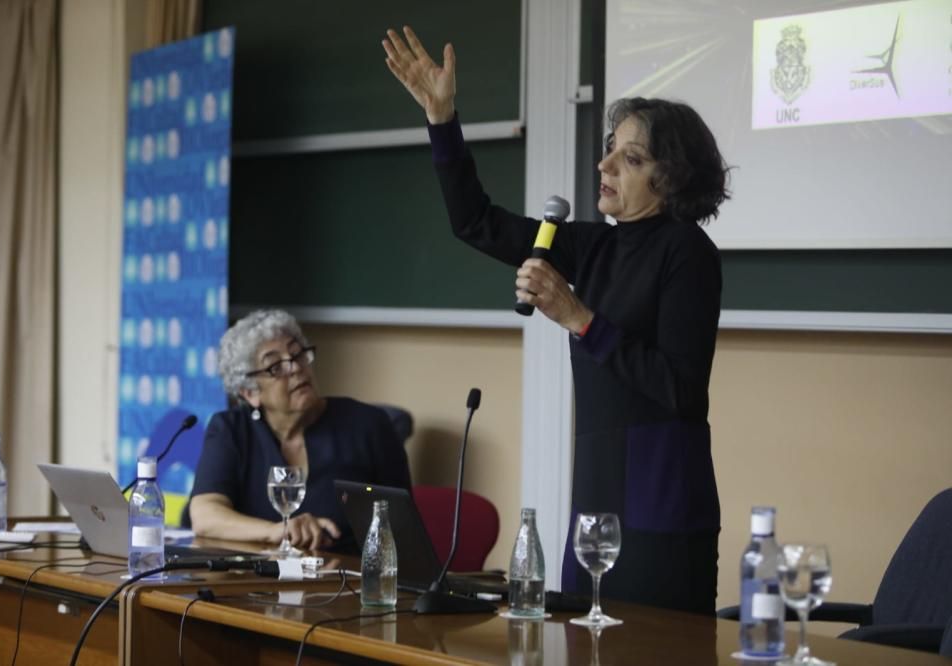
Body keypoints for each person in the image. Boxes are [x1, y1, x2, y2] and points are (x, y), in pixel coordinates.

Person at [383, 27, 728, 614]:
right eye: (610, 148)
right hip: (598, 479)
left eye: (630, 158)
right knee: (583, 634)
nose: (605, 163)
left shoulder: (688, 253)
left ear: (669, 179)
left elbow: (679, 389)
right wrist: (442, 120)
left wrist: (578, 316)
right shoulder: (592, 245)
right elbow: (476, 222)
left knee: (652, 645)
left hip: (663, 484)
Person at [189, 309, 412, 552]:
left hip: (348, 580)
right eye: (275, 366)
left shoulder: (369, 426)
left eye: (298, 354)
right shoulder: (231, 430)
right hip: (256, 581)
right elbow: (205, 515)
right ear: (250, 392)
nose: (295, 368)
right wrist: (276, 531)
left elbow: (404, 533)